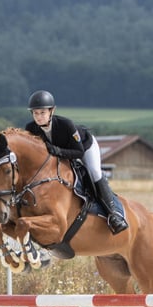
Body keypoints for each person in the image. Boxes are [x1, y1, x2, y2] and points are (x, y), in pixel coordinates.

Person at [24, 89, 128, 234]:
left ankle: (114, 214)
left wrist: (57, 151)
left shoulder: (66, 125)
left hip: (85, 147)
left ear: (51, 111)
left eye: (42, 113)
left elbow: (78, 152)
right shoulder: (31, 129)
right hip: (60, 155)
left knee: (94, 172)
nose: (39, 117)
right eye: (35, 113)